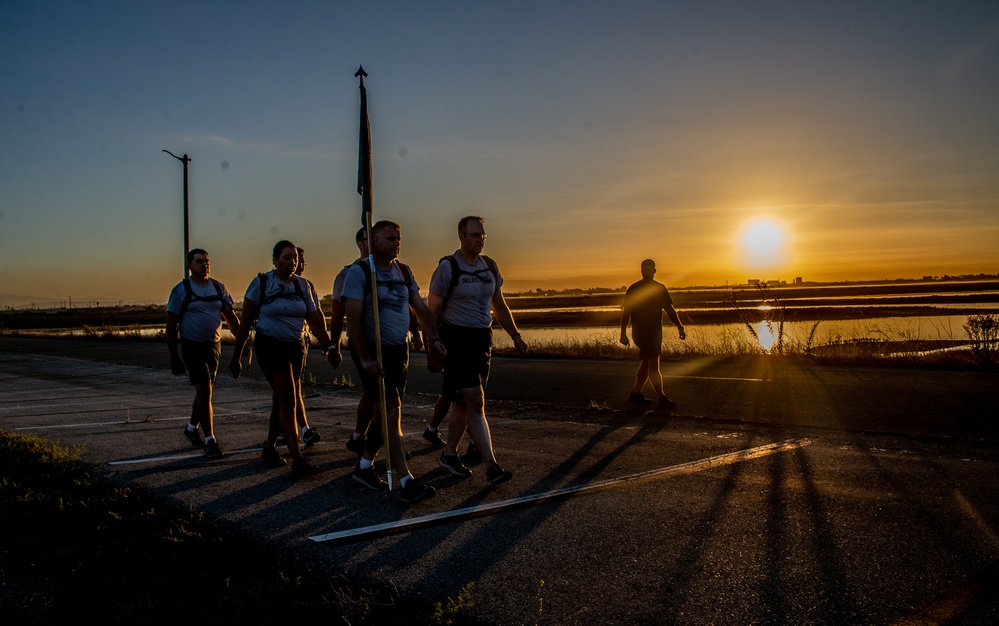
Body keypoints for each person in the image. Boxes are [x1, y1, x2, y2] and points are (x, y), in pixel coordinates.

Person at [343, 220, 446, 503]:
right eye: (390, 238)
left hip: (398, 351)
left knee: (383, 415)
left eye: (398, 238)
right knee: (391, 411)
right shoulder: (360, 272)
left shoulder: (403, 270)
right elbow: (352, 321)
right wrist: (365, 359)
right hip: (372, 350)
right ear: (374, 241)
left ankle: (364, 466)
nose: (396, 243)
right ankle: (406, 480)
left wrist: (433, 339)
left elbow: (422, 310)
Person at [426, 215, 525, 486]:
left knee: (463, 403)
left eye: (483, 234)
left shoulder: (489, 266)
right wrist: (432, 345)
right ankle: (491, 465)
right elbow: (431, 310)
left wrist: (514, 334)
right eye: (474, 234)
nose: (480, 239)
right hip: (455, 341)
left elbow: (499, 305)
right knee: (476, 402)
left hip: (482, 340)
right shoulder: (448, 268)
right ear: (461, 236)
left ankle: (448, 454)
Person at [228, 240, 339, 479]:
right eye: (286, 258)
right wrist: (237, 356)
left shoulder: (304, 286)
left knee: (281, 399)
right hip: (270, 345)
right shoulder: (262, 283)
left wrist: (329, 346)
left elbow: (314, 320)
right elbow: (246, 322)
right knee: (288, 399)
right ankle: (298, 460)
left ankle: (269, 448)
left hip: (295, 347)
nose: (291, 262)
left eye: (295, 259)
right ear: (275, 259)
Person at [166, 249, 240, 459]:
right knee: (205, 390)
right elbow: (170, 327)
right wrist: (174, 358)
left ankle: (191, 428)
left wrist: (244, 344)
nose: (204, 265)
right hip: (192, 346)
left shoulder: (218, 288)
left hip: (213, 347)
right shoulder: (182, 290)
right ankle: (210, 441)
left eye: (207, 261)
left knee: (203, 393)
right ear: (189, 265)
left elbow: (231, 319)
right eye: (199, 262)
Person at [619, 259, 687, 410]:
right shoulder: (634, 289)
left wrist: (680, 327)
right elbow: (626, 313)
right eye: (644, 269)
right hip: (641, 333)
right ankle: (662, 398)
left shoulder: (659, 288)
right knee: (654, 364)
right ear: (641, 270)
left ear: (654, 271)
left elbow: (669, 310)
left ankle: (635, 393)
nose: (646, 271)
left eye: (649, 269)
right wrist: (623, 334)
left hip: (656, 332)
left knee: (646, 363)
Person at [330, 228, 373, 456]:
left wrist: (414, 333)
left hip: (386, 342)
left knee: (374, 392)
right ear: (360, 243)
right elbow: (337, 314)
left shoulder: (389, 271)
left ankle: (358, 436)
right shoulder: (347, 275)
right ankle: (380, 441)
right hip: (361, 341)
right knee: (376, 391)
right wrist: (333, 345)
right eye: (369, 240)